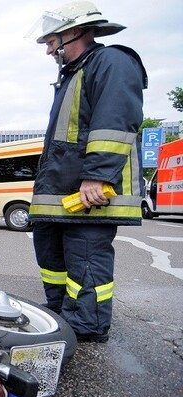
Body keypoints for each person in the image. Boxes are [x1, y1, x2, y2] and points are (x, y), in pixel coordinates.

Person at [28, 2, 147, 342]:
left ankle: (87, 324)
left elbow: (115, 121)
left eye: (52, 42)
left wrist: (97, 175)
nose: (49, 50)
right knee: (50, 253)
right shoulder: (73, 74)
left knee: (86, 259)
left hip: (90, 193)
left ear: (75, 32)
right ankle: (60, 312)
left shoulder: (111, 62)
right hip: (63, 192)